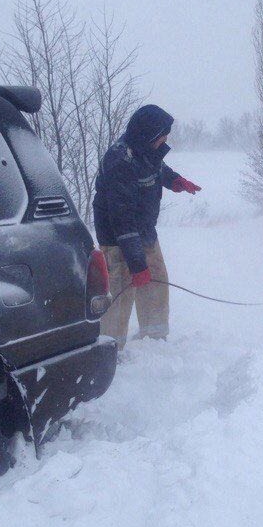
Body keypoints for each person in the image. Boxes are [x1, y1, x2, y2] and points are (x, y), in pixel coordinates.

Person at [92, 104, 202, 349]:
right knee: (122, 289)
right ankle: (111, 347)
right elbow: (122, 220)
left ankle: (154, 340)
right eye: (163, 133)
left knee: (156, 280)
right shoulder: (120, 160)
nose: (166, 138)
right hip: (116, 236)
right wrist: (137, 264)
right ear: (148, 134)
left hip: (144, 230)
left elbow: (156, 168)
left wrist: (175, 181)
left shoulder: (145, 150)